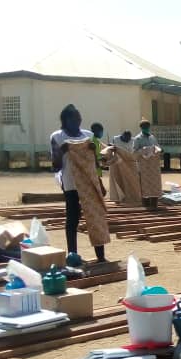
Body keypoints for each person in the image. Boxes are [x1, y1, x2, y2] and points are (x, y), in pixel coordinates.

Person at [50, 105, 108, 263]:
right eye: (75, 118)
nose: (79, 121)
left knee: (96, 218)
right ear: (66, 120)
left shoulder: (88, 136)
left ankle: (101, 255)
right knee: (73, 218)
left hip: (90, 183)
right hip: (71, 183)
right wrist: (63, 150)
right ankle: (73, 254)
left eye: (79, 118)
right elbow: (55, 165)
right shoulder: (57, 137)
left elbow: (94, 162)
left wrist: (100, 183)